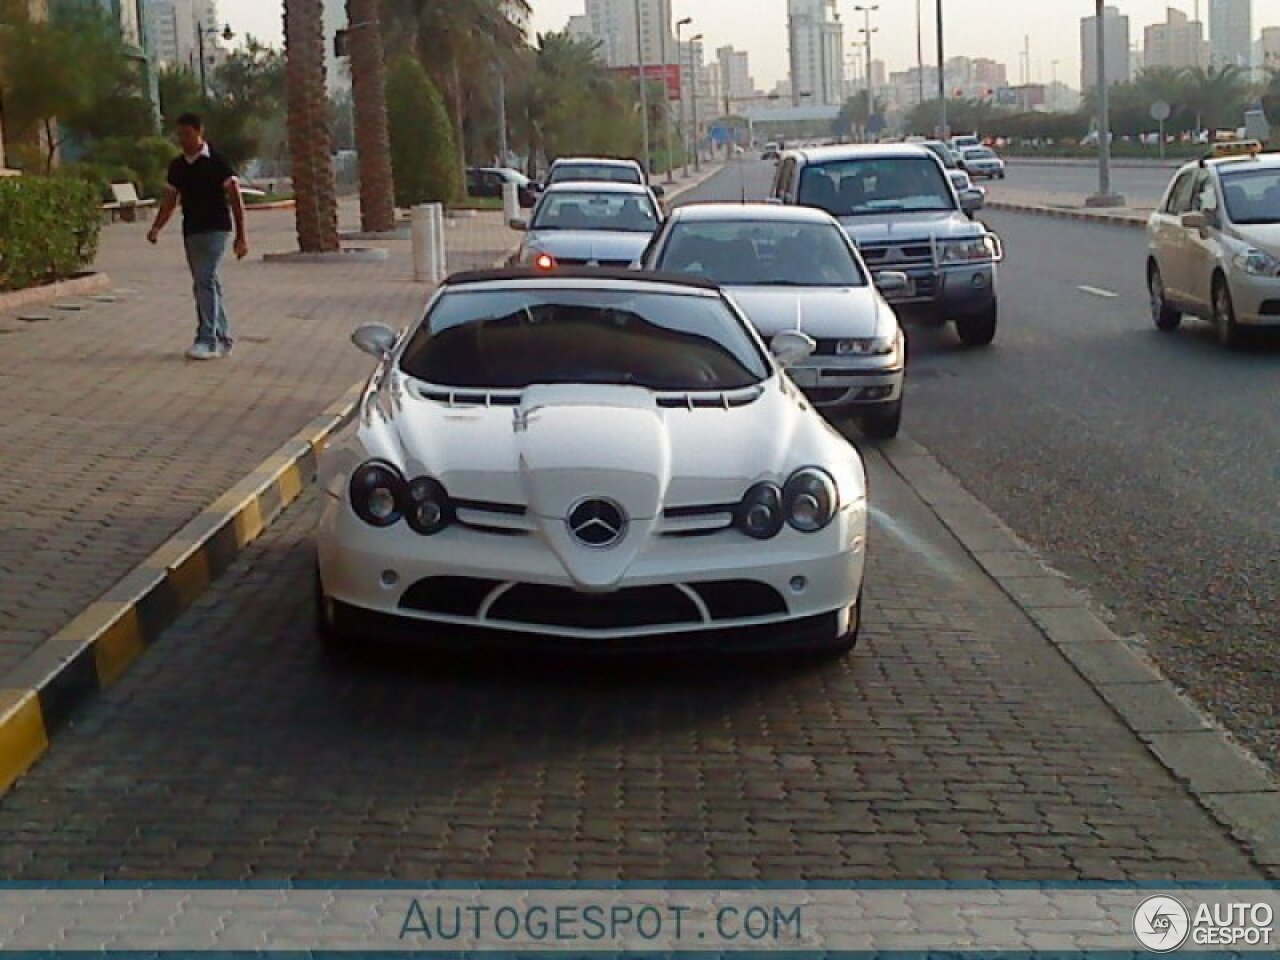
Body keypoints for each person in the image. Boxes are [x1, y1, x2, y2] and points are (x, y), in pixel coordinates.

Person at [147, 113, 249, 361]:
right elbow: (171, 200)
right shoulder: (178, 166)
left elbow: (236, 199)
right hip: (192, 230)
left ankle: (207, 339)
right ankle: (223, 337)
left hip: (217, 229)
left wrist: (241, 236)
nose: (182, 140)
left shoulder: (217, 162)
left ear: (199, 131)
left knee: (205, 279)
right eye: (179, 135)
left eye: (187, 134)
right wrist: (157, 227)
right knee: (207, 283)